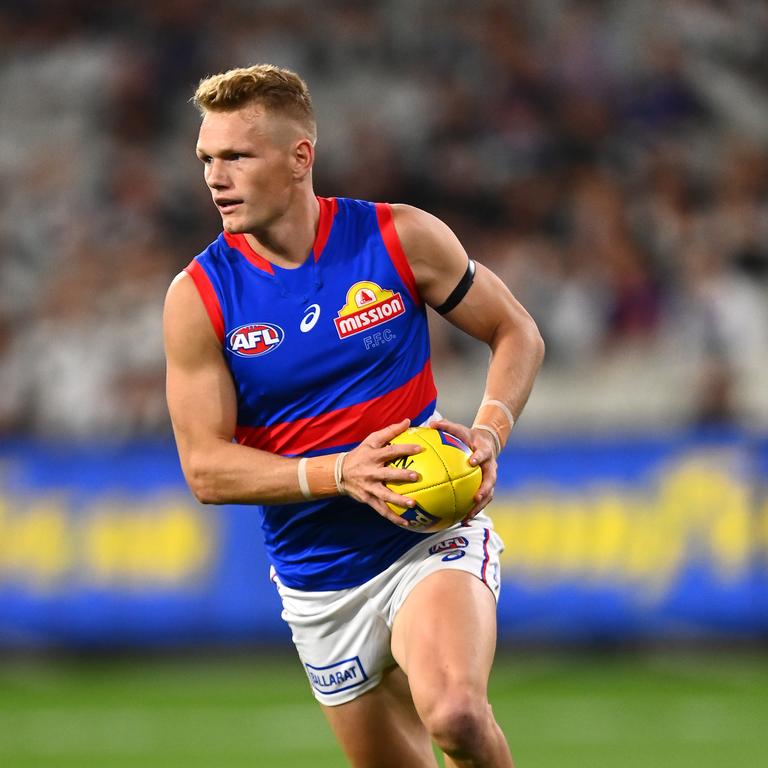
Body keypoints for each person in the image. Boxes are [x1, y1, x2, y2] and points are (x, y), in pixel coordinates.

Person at [163, 63, 544, 768]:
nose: (216, 177)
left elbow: (516, 330)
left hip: (426, 540)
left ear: (300, 157)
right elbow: (206, 470)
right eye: (207, 159)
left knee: (456, 714)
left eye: (237, 157)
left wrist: (490, 431)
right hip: (320, 586)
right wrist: (342, 473)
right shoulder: (200, 296)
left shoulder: (398, 238)